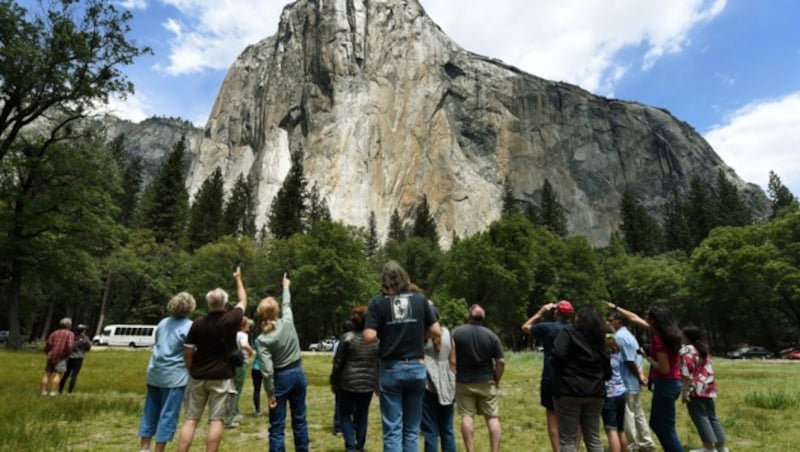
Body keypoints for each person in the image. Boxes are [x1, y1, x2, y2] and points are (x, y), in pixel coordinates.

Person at [364, 260, 441, 452]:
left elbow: (369, 336)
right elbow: (437, 331)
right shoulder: (420, 299)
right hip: (416, 366)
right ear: (405, 277)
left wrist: (385, 331)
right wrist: (418, 331)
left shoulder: (377, 302)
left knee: (392, 430)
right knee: (411, 430)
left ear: (383, 281)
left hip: (390, 368)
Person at [177, 267, 247, 452]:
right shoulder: (232, 319)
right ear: (225, 303)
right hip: (222, 377)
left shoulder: (198, 323)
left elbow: (188, 350)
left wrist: (191, 369)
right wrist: (238, 279)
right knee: (216, 421)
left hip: (199, 375)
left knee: (191, 419)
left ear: (208, 303)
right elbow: (243, 300)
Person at [606, 302, 684, 452]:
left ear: (654, 319)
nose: (645, 317)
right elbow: (634, 318)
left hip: (666, 383)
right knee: (657, 424)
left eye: (648, 315)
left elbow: (664, 368)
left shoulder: (659, 339)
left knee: (665, 427)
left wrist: (647, 356)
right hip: (670, 383)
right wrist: (616, 307)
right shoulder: (667, 333)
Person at [255, 272, 310, 452]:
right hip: (298, 373)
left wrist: (271, 393)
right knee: (300, 420)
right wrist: (285, 286)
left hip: (281, 379)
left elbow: (267, 371)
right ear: (276, 311)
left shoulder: (262, 339)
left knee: (277, 427)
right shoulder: (288, 321)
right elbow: (287, 303)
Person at [139, 292, 197, 452]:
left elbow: (158, 342)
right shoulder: (190, 326)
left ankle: (144, 447)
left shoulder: (163, 322)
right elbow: (191, 352)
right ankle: (159, 449)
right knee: (168, 414)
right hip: (175, 377)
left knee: (150, 410)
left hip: (155, 372)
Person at [551, 305, 610, 452]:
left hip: (570, 390)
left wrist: (562, 374)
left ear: (580, 319)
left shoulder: (569, 332)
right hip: (596, 391)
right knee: (593, 438)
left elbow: (558, 354)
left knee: (568, 439)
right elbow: (607, 363)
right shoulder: (600, 337)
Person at [521, 300, 574, 451]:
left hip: (551, 376)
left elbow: (525, 327)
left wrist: (541, 312)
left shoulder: (547, 328)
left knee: (552, 417)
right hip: (572, 379)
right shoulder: (576, 330)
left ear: (556, 313)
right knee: (574, 418)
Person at [450, 304, 504, 452]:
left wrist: (453, 373)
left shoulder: (456, 333)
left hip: (463, 381)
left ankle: (470, 450)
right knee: (492, 418)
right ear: (483, 319)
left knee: (467, 417)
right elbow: (500, 362)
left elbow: (451, 358)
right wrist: (496, 379)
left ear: (469, 316)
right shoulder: (491, 335)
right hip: (486, 381)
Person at [330, 306, 379, 452]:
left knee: (345, 415)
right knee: (362, 414)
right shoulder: (375, 339)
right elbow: (378, 362)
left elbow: (338, 363)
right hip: (367, 383)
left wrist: (334, 381)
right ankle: (360, 446)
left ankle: (350, 446)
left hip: (348, 382)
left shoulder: (347, 338)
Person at [607, 310, 657, 452]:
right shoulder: (629, 335)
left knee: (626, 415)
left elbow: (629, 360)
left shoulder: (620, 336)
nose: (608, 323)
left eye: (610, 320)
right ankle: (646, 442)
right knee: (638, 414)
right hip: (632, 381)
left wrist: (639, 376)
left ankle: (631, 445)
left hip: (625, 382)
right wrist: (640, 375)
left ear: (619, 321)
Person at [679, 325, 728, 452]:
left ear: (687, 337)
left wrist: (685, 392)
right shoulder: (703, 349)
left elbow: (686, 373)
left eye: (682, 334)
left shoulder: (686, 351)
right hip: (708, 386)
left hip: (695, 388)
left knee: (700, 417)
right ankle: (721, 447)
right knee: (712, 417)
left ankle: (708, 447)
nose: (680, 336)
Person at [421, 302, 456, 452]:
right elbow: (453, 361)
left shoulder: (422, 337)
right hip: (447, 383)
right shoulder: (448, 333)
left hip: (427, 384)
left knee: (430, 430)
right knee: (447, 428)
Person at [224, 315, 255, 429]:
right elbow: (243, 345)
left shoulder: (233, 334)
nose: (249, 326)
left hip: (232, 363)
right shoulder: (243, 335)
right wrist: (251, 351)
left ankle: (235, 411)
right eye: (248, 324)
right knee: (237, 389)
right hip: (241, 363)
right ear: (243, 325)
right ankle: (231, 416)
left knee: (232, 387)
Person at [603, 325, 628, 452]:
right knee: (620, 429)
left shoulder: (602, 353)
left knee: (611, 430)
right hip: (621, 392)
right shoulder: (617, 351)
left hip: (609, 394)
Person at [332, 319, 355, 436]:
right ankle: (353, 426)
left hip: (342, 376)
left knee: (339, 403)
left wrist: (333, 380)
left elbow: (336, 361)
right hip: (354, 377)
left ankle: (338, 426)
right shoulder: (358, 340)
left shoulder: (338, 343)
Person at [41, 317, 74, 396]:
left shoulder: (54, 333)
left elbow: (48, 344)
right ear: (69, 325)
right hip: (61, 357)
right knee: (58, 374)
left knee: (47, 374)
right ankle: (52, 392)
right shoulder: (70, 334)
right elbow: (69, 346)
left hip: (51, 356)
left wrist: (48, 353)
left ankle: (43, 391)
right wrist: (68, 354)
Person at [59, 323, 92, 394]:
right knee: (74, 376)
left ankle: (60, 391)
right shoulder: (84, 338)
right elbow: (88, 348)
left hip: (69, 358)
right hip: (78, 359)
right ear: (83, 331)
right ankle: (69, 392)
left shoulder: (72, 336)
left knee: (66, 375)